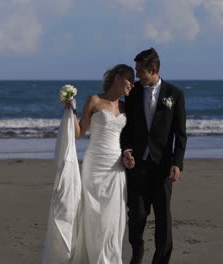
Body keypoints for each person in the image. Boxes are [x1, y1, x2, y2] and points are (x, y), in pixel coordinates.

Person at [120, 48, 187, 264]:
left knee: (163, 220)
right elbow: (126, 128)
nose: (137, 75)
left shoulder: (174, 94)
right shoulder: (132, 93)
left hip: (163, 167)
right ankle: (137, 253)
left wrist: (177, 163)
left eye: (141, 71)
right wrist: (126, 150)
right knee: (137, 217)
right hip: (137, 165)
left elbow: (180, 133)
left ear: (154, 69)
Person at [68, 64, 134, 264]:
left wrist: (128, 155)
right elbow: (78, 134)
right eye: (129, 79)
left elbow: (127, 139)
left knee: (113, 221)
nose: (132, 84)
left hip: (116, 168)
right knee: (95, 217)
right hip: (95, 165)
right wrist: (70, 109)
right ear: (117, 78)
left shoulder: (125, 107)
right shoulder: (94, 101)